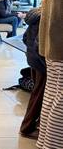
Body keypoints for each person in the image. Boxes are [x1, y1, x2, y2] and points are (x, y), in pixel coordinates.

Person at [36, 0, 63, 149]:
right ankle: (55, 148)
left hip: (50, 48)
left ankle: (45, 143)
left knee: (52, 93)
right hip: (59, 48)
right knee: (60, 98)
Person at [19, 8, 46, 138]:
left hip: (33, 59)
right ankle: (27, 127)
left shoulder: (37, 14)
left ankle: (31, 125)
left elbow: (25, 38)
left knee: (37, 93)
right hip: (42, 62)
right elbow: (40, 44)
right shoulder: (46, 17)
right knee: (39, 95)